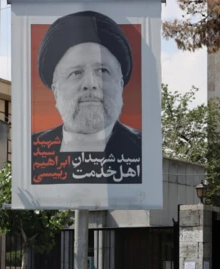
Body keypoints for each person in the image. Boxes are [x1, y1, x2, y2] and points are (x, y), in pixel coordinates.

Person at [31, 10, 142, 185]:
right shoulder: (34, 149)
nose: (90, 84)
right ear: (55, 90)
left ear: (120, 85)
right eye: (76, 72)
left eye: (102, 71)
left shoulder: (142, 149)